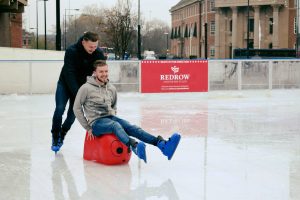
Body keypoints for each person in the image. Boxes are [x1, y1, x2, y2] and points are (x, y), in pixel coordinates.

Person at [73, 60, 181, 163]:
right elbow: (76, 108)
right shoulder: (85, 88)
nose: (104, 74)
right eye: (101, 71)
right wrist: (88, 127)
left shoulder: (111, 88)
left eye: (106, 71)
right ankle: (134, 146)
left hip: (110, 118)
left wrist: (112, 115)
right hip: (96, 123)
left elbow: (114, 105)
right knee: (115, 125)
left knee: (133, 128)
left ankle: (162, 145)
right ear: (94, 73)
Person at [51, 31, 106, 153]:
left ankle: (63, 133)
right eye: (90, 46)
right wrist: (78, 94)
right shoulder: (72, 51)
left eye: (95, 46)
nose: (93, 49)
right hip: (65, 84)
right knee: (60, 109)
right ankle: (55, 136)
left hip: (81, 87)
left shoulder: (98, 54)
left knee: (72, 116)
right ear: (83, 42)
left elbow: (101, 73)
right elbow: (69, 74)